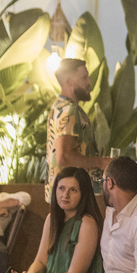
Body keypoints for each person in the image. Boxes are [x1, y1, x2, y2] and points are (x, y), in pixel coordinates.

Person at [46, 58, 112, 200]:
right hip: (73, 197)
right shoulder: (69, 110)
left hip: (63, 195)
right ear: (69, 82)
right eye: (84, 78)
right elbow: (64, 156)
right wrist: (100, 162)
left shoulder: (58, 107)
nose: (89, 82)